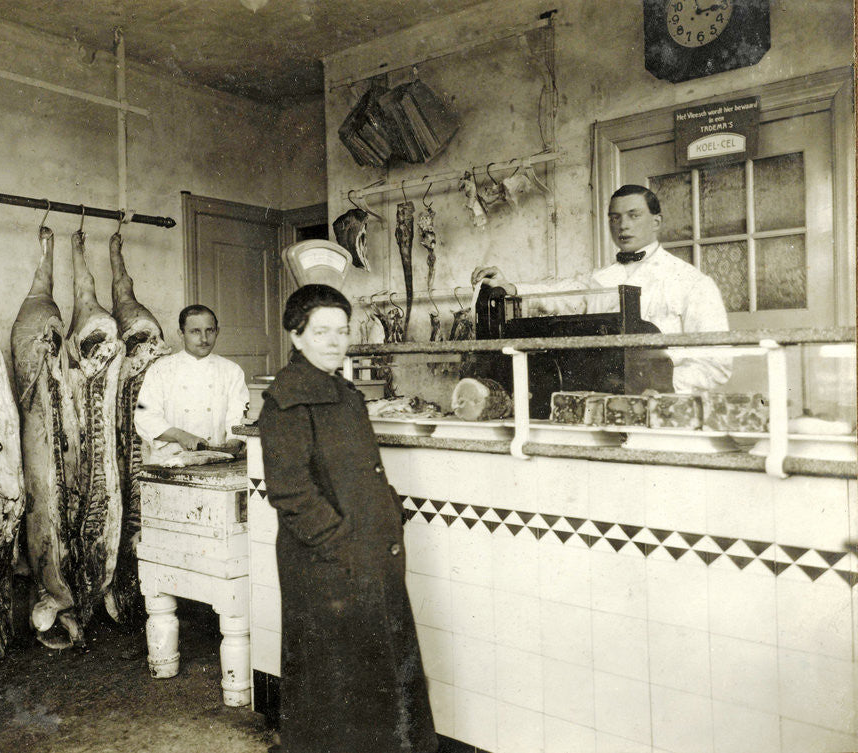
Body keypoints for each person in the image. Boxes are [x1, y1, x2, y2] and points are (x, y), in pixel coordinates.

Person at [257, 284, 437, 753]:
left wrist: (387, 511)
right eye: (322, 332)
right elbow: (291, 492)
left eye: (342, 330)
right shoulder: (287, 399)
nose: (336, 342)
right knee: (333, 683)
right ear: (297, 336)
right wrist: (343, 547)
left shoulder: (342, 391)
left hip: (365, 554)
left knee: (372, 675)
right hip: (328, 564)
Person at [472, 184, 731, 392]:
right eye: (615, 218)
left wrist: (661, 385)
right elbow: (560, 296)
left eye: (634, 215)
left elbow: (717, 364)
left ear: (656, 222)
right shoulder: (599, 279)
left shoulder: (693, 282)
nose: (623, 225)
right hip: (602, 398)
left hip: (667, 406)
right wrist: (512, 288)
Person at [134, 304, 249, 463]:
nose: (204, 339)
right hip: (169, 462)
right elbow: (144, 416)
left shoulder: (232, 371)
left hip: (217, 461)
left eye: (209, 330)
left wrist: (233, 443)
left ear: (217, 331)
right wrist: (180, 436)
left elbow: (238, 416)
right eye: (195, 331)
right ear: (181, 334)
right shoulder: (160, 370)